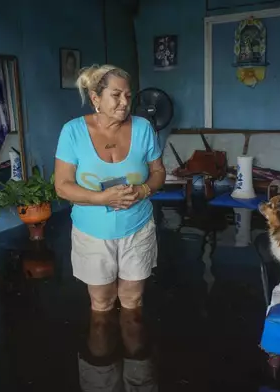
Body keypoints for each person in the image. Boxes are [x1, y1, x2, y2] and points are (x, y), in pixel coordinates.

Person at [54, 64, 166, 313]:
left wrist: (143, 191)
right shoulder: (73, 132)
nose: (124, 102)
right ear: (96, 98)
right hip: (92, 231)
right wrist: (101, 198)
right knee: (102, 301)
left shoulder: (143, 128)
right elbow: (62, 186)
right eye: (116, 95)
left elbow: (158, 172)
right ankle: (103, 351)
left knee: (133, 300)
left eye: (128, 95)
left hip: (138, 227)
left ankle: (133, 352)